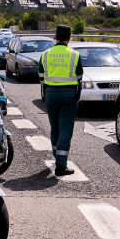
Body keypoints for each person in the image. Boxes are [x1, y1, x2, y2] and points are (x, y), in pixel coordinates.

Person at [39, 25, 83, 177]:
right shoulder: (74, 54)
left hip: (50, 94)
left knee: (54, 126)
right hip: (68, 94)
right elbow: (79, 76)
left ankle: (56, 154)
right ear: (69, 38)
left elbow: (40, 75)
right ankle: (61, 165)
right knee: (65, 128)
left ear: (55, 37)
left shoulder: (45, 54)